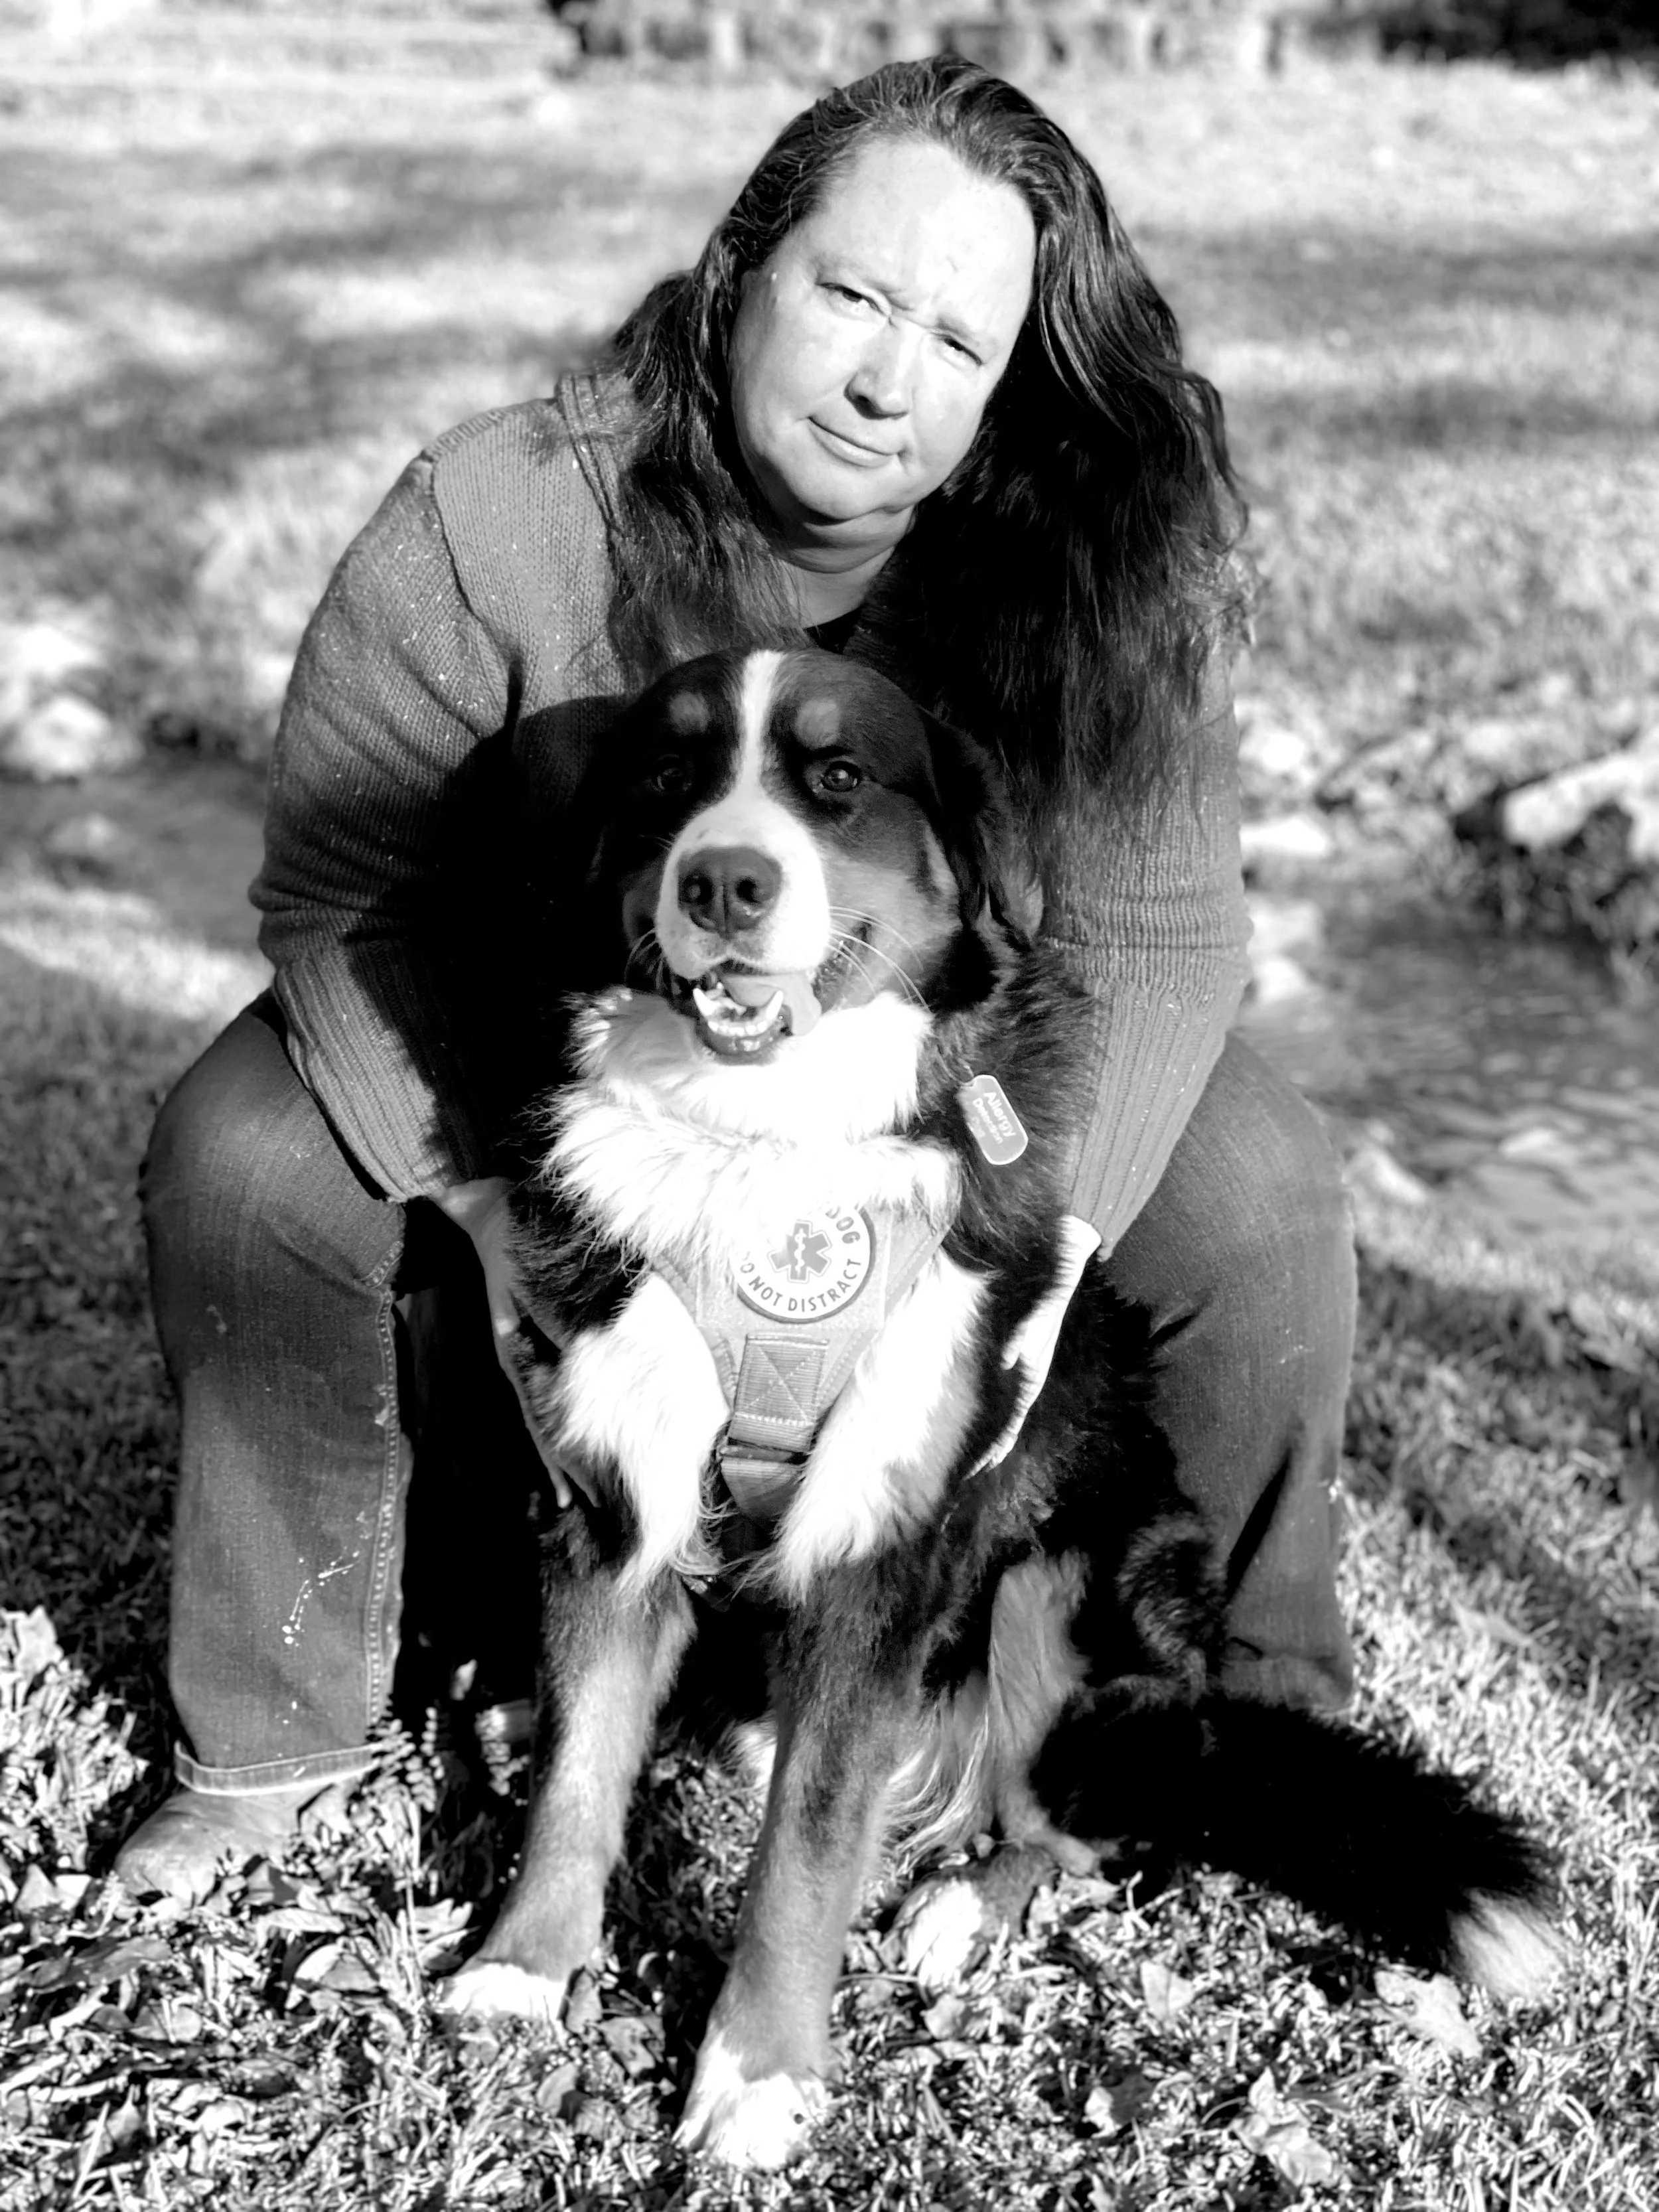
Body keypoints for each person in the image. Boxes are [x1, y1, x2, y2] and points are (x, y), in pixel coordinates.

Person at [116, 55, 1355, 1905]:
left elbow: (1156, 944)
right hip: (575, 1063)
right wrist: (512, 1219)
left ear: (1009, 384)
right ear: (739, 269)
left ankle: (1244, 1713)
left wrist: (1024, 1273)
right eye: (850, 293)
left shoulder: (1096, 573)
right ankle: (272, 1727)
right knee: (247, 1152)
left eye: (953, 335)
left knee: (1254, 1192)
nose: (882, 372)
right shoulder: (500, 519)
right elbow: (343, 891)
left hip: (942, 1075)